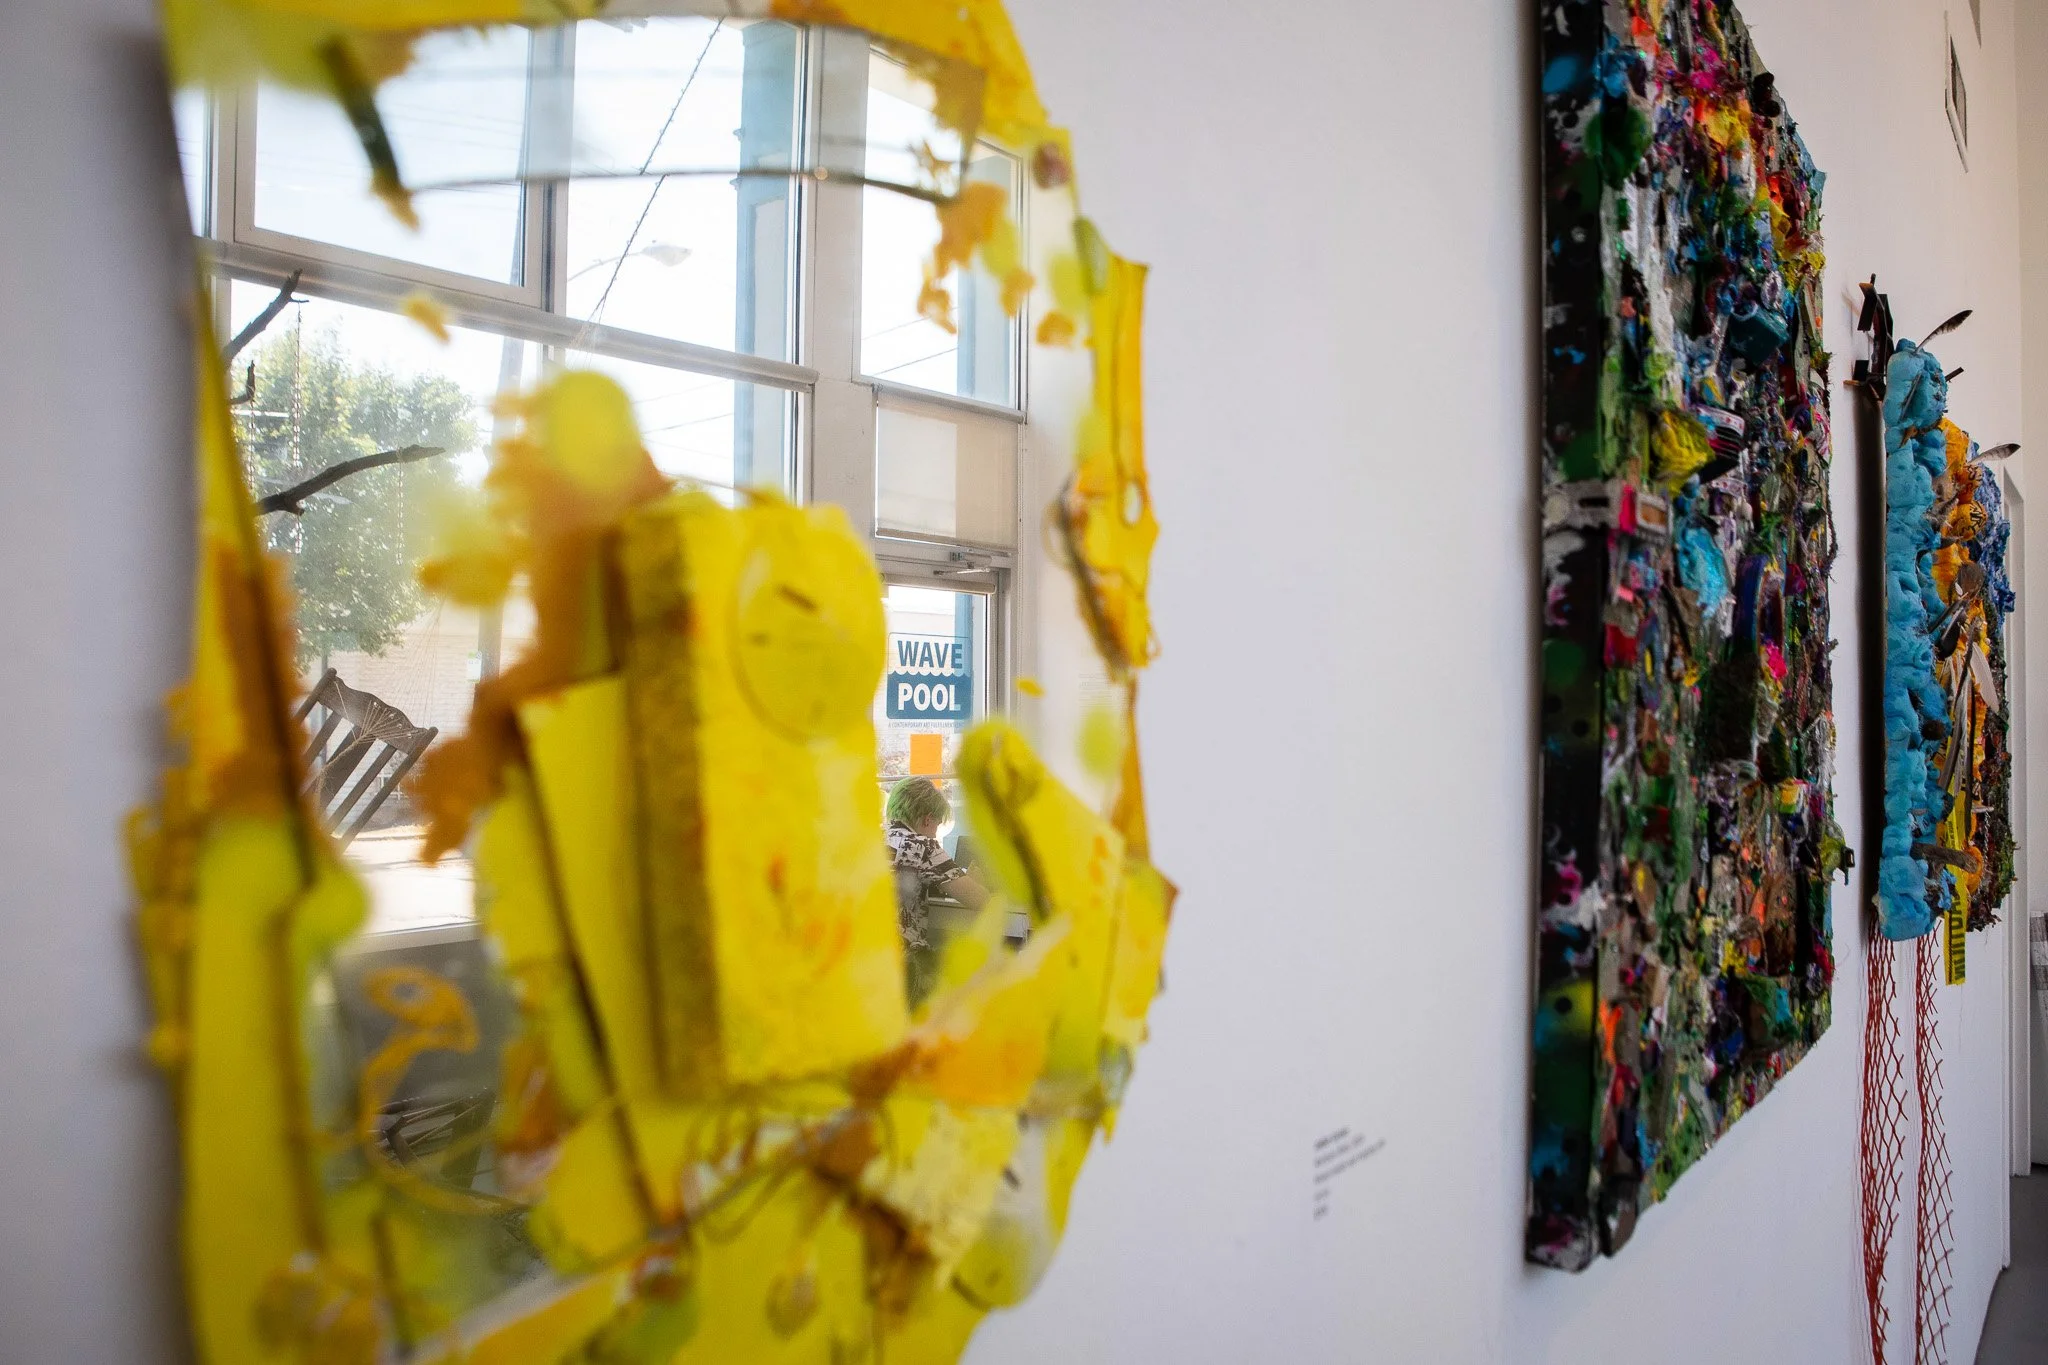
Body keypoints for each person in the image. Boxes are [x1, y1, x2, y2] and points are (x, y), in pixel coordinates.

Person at [884, 777, 989, 1005]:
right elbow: (979, 900)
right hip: (904, 967)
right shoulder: (922, 846)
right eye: (937, 826)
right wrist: (975, 881)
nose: (934, 834)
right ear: (927, 819)